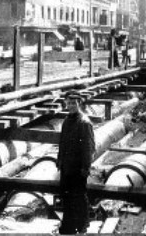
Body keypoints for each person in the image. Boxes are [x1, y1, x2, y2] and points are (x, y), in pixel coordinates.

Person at [57, 94, 95, 234]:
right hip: (66, 166)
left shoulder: (84, 123)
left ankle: (82, 226)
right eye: (69, 103)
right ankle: (68, 226)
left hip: (78, 168)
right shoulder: (67, 121)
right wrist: (59, 160)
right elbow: (62, 143)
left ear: (79, 103)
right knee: (66, 197)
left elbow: (89, 147)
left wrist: (86, 167)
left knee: (79, 197)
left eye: (74, 103)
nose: (71, 106)